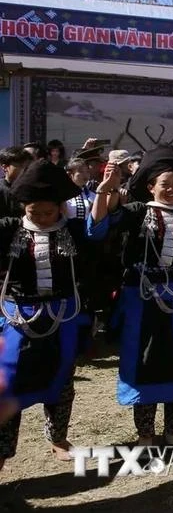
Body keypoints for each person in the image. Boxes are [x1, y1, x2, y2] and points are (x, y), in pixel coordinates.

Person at [89, 146, 173, 446]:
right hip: (141, 300)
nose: (171, 189)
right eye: (165, 184)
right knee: (144, 362)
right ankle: (145, 433)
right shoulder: (138, 212)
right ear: (150, 186)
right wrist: (104, 191)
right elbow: (98, 228)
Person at [0, 160, 92, 471]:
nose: (40, 218)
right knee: (9, 381)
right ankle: (2, 448)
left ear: (60, 209)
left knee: (62, 378)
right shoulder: (8, 230)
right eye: (33, 212)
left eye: (47, 212)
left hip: (62, 314)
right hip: (18, 316)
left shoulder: (73, 232)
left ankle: (58, 438)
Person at [0, 147, 32, 219]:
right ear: (5, 167)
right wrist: (21, 221)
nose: (24, 170)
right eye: (20, 166)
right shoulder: (2, 190)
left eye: (27, 166)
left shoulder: (31, 188)